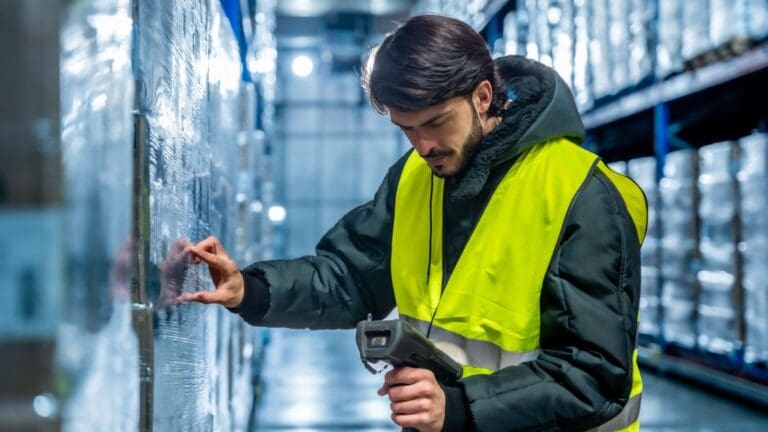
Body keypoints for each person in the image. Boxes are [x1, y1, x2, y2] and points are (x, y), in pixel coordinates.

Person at [183, 14, 646, 432]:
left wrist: (461, 407)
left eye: (436, 122)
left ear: (483, 97)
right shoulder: (414, 178)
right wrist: (249, 288)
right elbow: (350, 277)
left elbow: (593, 376)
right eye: (407, 129)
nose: (423, 146)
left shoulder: (580, 195)